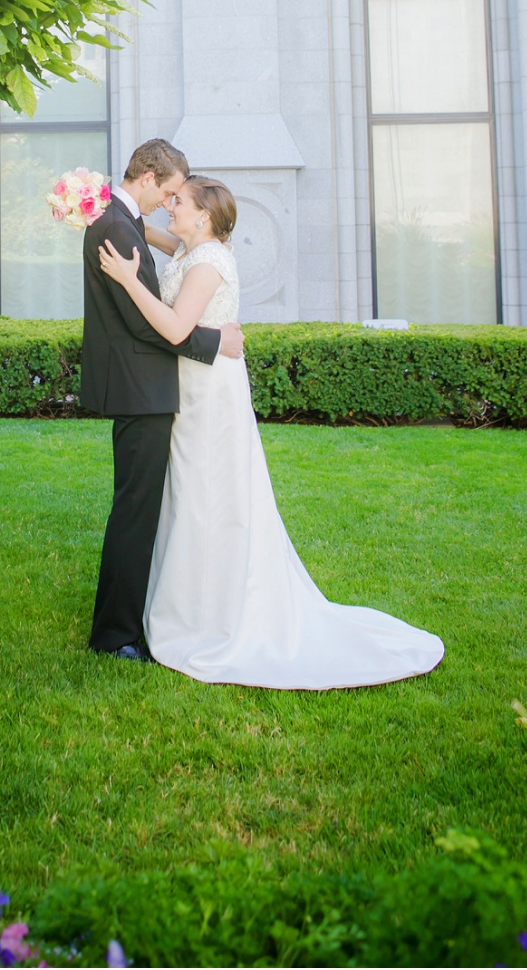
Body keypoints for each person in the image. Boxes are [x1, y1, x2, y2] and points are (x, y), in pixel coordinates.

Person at [98, 174, 444, 688]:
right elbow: (157, 237)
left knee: (210, 498)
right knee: (188, 498)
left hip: (209, 397)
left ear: (204, 217)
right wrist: (107, 206)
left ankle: (213, 615)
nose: (170, 206)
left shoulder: (210, 261)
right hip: (188, 390)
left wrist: (128, 280)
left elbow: (174, 329)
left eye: (180, 202)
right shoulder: (191, 247)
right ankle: (183, 602)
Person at [82, 139, 245, 661]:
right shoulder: (115, 225)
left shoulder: (119, 221)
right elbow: (147, 322)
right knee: (136, 512)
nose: (171, 203)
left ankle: (140, 619)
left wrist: (89, 199)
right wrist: (214, 340)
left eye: (182, 200)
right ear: (149, 179)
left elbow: (170, 252)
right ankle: (115, 635)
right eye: (171, 192)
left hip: (156, 387)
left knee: (154, 508)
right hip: (144, 386)